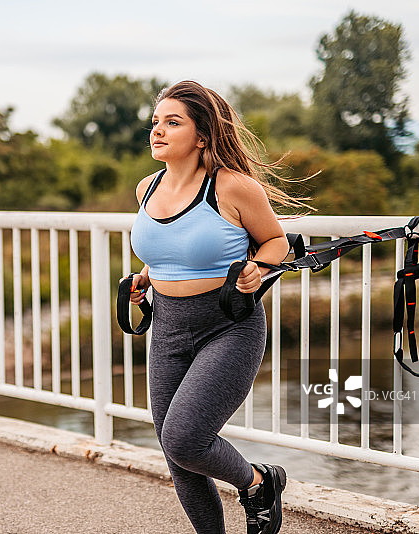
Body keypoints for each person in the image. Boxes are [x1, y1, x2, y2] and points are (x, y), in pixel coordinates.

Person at [128, 80, 307, 534]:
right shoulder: (146, 188)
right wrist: (147, 277)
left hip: (228, 327)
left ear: (203, 134)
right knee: (177, 455)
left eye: (173, 122)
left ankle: (259, 482)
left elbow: (275, 242)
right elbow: (167, 251)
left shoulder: (232, 187)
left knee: (186, 439)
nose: (158, 131)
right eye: (156, 122)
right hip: (167, 329)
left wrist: (258, 268)